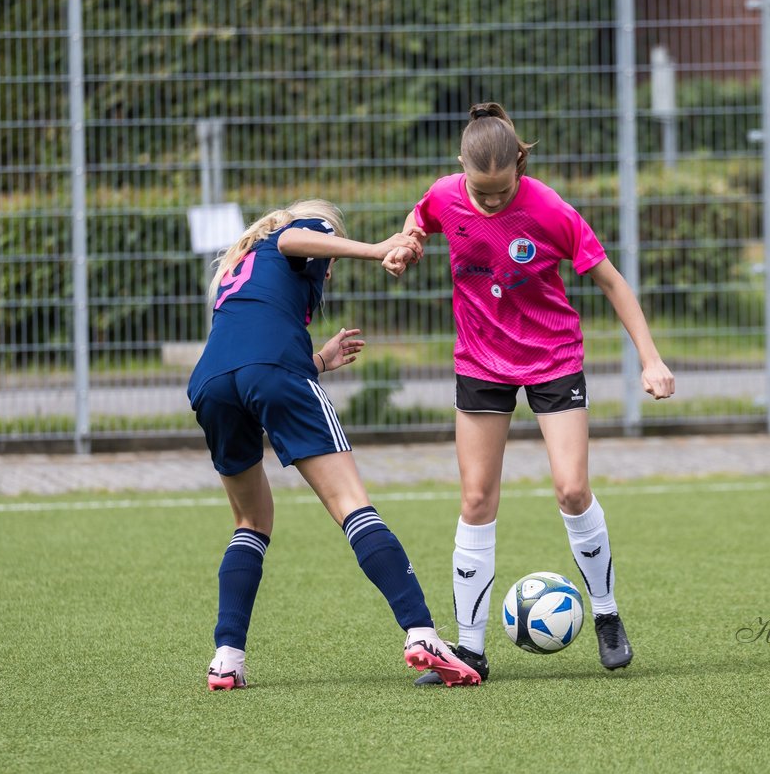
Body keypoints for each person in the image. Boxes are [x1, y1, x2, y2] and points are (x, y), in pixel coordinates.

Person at [384, 103, 676, 685]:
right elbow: (416, 225)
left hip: (552, 358)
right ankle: (469, 653)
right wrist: (404, 248)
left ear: (521, 163)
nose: (490, 203)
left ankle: (608, 616)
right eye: (480, 192)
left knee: (571, 490)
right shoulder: (445, 195)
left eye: (500, 192)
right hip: (480, 361)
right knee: (476, 499)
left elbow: (613, 283)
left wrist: (651, 357)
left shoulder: (550, 210)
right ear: (460, 169)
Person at [187, 199, 482, 689]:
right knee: (352, 505)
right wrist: (376, 247)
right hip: (273, 368)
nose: (329, 271)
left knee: (251, 522)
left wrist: (317, 363)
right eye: (332, 260)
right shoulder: (296, 231)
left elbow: (251, 342)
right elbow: (294, 240)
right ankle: (421, 632)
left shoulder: (244, 259)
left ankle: (227, 657)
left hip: (213, 381)